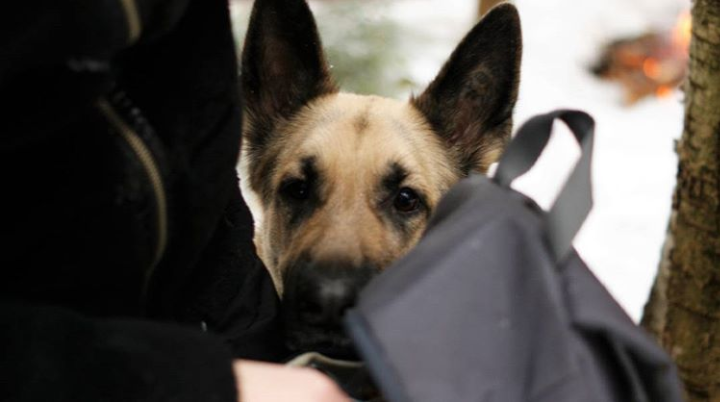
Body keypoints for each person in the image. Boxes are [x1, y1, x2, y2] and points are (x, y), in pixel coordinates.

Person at [0, 0, 349, 401]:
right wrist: (193, 383)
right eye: (300, 191)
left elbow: (210, 220)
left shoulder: (196, 26)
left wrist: (274, 359)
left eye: (406, 201)